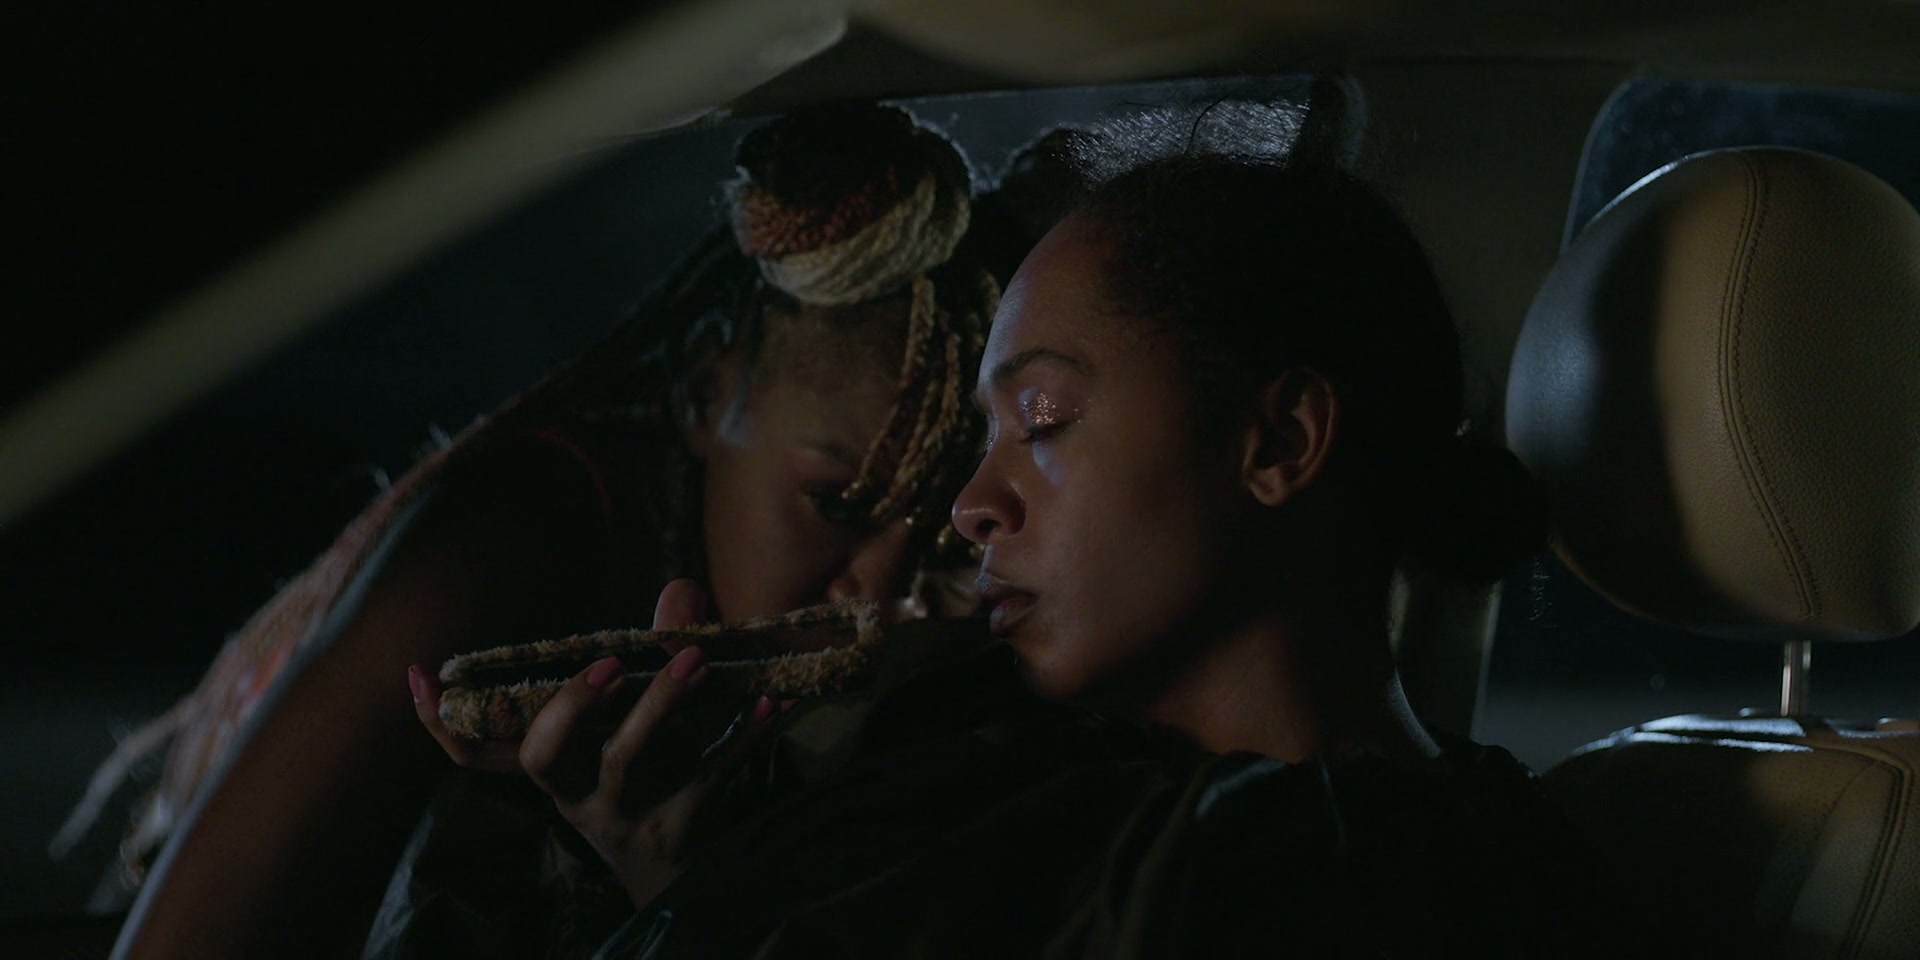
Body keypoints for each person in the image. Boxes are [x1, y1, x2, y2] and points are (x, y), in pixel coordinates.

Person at [543, 144, 1609, 958]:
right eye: (987, 440)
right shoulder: (1022, 770)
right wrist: (669, 868)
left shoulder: (1350, 881)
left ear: (1279, 443)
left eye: (1043, 420)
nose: (972, 506)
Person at [90, 102, 1001, 960]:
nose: (886, 590)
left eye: (944, 537)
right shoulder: (515, 542)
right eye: (835, 503)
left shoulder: (946, 673)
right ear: (703, 393)